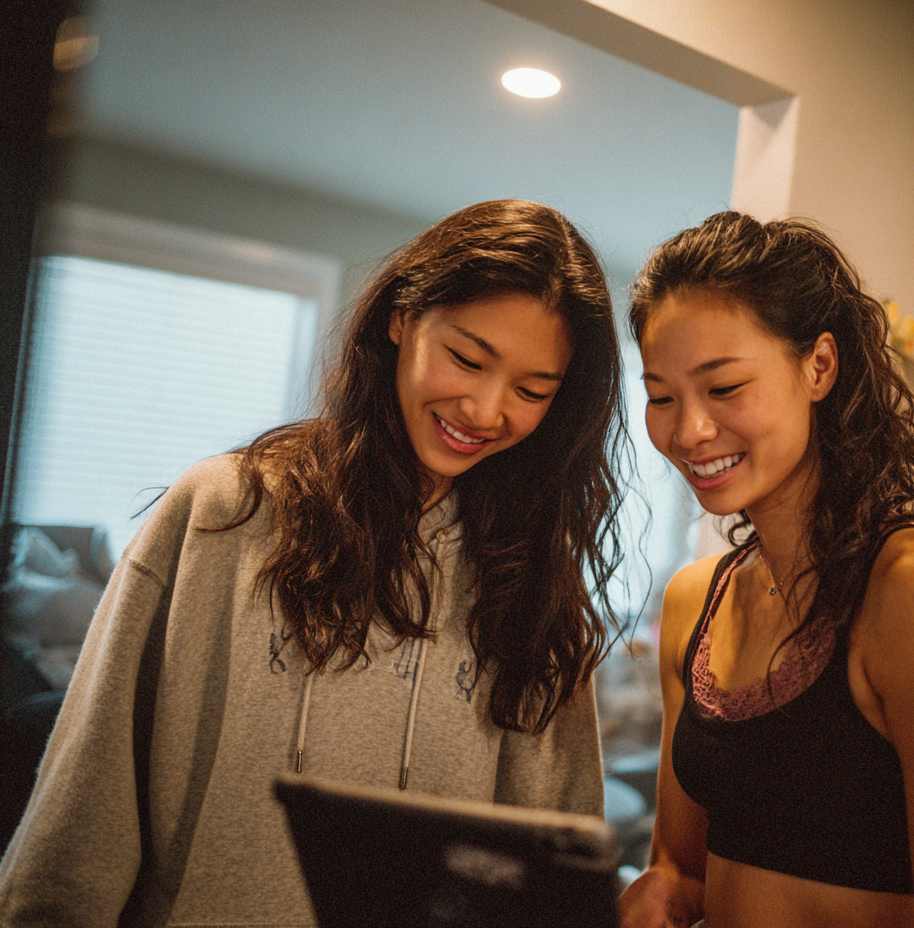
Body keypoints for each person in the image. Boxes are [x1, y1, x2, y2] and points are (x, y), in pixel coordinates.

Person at [0, 199, 627, 926]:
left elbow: (551, 863)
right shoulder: (223, 508)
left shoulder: (532, 576)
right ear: (401, 318)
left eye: (531, 390)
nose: (486, 411)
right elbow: (90, 794)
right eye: (466, 358)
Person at [618, 212, 914, 928]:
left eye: (724, 387)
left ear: (819, 366)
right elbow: (682, 865)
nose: (688, 431)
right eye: (662, 397)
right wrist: (660, 894)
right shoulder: (693, 600)